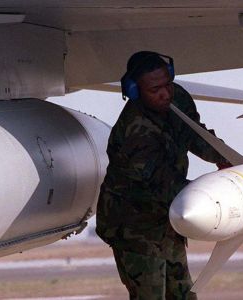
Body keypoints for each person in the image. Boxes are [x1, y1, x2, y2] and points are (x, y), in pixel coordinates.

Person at [96, 51, 229, 299]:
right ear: (135, 91)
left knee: (182, 294)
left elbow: (194, 134)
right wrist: (216, 199)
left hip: (166, 222)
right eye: (155, 89)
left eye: (168, 83)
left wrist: (223, 157)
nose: (165, 93)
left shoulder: (177, 99)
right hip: (134, 228)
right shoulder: (137, 133)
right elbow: (163, 186)